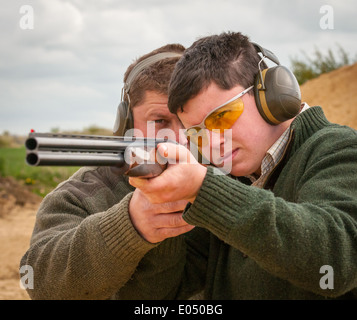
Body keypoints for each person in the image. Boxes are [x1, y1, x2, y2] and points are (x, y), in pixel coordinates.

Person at [129, 32, 357, 299]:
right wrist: (156, 219)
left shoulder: (341, 148)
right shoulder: (234, 179)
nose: (212, 143)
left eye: (222, 117)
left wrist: (203, 189)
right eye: (197, 132)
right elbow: (160, 294)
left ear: (270, 94)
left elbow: (333, 263)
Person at [20, 43, 194, 300]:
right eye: (160, 121)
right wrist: (131, 224)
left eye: (192, 121)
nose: (179, 139)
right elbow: (40, 280)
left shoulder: (236, 174)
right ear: (126, 123)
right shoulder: (81, 194)